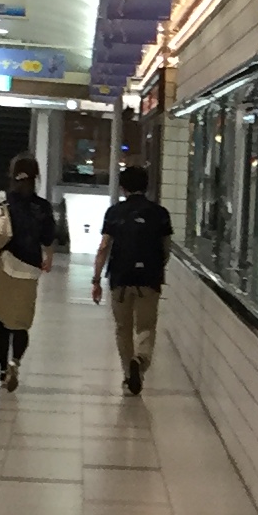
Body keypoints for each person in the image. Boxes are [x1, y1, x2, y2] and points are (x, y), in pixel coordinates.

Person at [93, 162, 172, 397]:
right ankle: (140, 359)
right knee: (146, 327)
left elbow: (104, 247)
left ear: (123, 187)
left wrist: (96, 279)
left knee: (123, 328)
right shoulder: (160, 214)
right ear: (146, 187)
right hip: (149, 279)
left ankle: (129, 376)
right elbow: (166, 249)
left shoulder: (114, 212)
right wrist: (156, 268)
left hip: (120, 277)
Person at [0, 153, 59, 390]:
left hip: (0, 264)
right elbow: (48, 237)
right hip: (28, 267)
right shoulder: (42, 207)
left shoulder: (0, 201)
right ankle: (14, 361)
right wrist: (49, 257)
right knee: (21, 322)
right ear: (36, 177)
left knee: (3, 319)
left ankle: (2, 369)